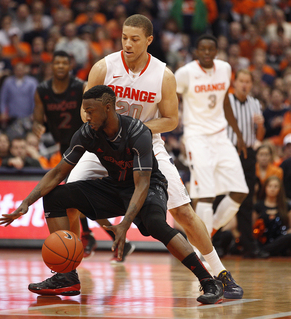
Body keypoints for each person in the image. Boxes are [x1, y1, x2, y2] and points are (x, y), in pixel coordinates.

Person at [0, 85, 224, 304]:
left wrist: (125, 224)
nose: (86, 116)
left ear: (108, 108)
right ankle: (66, 276)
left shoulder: (138, 132)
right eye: (85, 111)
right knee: (56, 196)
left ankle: (209, 281)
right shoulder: (88, 132)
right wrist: (26, 203)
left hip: (149, 185)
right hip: (116, 186)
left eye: (90, 111)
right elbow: (58, 172)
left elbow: (142, 184)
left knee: (156, 223)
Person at [68, 15, 243, 299]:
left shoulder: (164, 75)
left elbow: (171, 120)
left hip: (148, 146)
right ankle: (68, 271)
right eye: (124, 37)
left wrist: (134, 130)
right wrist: (104, 130)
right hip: (104, 147)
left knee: (183, 212)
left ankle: (220, 272)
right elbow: (84, 111)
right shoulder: (104, 67)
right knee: (69, 196)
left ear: (149, 40)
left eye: (134, 39)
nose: (127, 43)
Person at [32, 50, 134, 261]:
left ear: (70, 65)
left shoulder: (80, 86)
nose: (60, 66)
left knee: (78, 197)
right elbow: (37, 118)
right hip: (65, 145)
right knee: (78, 199)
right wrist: (36, 128)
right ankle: (99, 236)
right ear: (51, 66)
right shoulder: (42, 90)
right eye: (56, 63)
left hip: (88, 145)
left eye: (64, 63)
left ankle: (85, 241)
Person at [175, 34, 249, 241]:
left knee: (240, 191)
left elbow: (225, 102)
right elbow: (171, 97)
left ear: (216, 51)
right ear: (196, 51)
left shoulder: (225, 68)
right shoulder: (185, 73)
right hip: (196, 136)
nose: (207, 53)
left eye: (211, 49)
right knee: (205, 194)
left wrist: (239, 134)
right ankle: (201, 248)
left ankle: (210, 231)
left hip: (221, 136)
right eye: (203, 49)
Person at [215, 69, 268, 258]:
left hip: (248, 154)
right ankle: (215, 242)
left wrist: (261, 125)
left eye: (248, 81)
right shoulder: (225, 101)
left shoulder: (255, 104)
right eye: (242, 81)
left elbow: (258, 137)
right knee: (222, 197)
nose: (245, 84)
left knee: (246, 199)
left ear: (251, 85)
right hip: (227, 152)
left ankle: (248, 245)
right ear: (234, 83)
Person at [253, 176, 291, 256]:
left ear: (280, 189)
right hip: (263, 239)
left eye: (276, 187)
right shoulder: (258, 206)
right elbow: (252, 226)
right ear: (265, 188)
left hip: (280, 239)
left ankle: (267, 251)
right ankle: (263, 250)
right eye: (270, 186)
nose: (272, 189)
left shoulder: (286, 206)